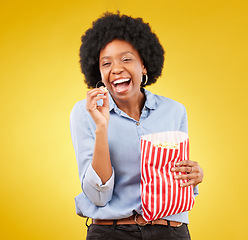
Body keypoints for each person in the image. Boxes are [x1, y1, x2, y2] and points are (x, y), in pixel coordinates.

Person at [70, 12, 203, 240]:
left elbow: (177, 184)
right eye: (106, 63)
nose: (117, 68)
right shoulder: (84, 112)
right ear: (99, 72)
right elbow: (98, 196)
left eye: (126, 59)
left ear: (144, 66)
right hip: (111, 232)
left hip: (170, 231)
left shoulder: (175, 111)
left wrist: (194, 175)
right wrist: (102, 127)